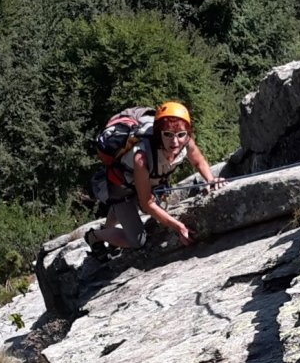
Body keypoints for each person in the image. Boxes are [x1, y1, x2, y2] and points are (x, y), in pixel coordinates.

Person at [87, 100, 221, 254]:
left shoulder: (186, 141)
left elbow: (198, 161)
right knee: (137, 241)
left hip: (141, 182)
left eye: (181, 135)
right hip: (122, 190)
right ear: (159, 134)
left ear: (187, 134)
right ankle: (94, 236)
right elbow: (147, 204)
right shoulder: (141, 157)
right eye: (168, 134)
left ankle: (109, 227)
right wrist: (178, 227)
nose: (175, 141)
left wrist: (211, 180)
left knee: (147, 209)